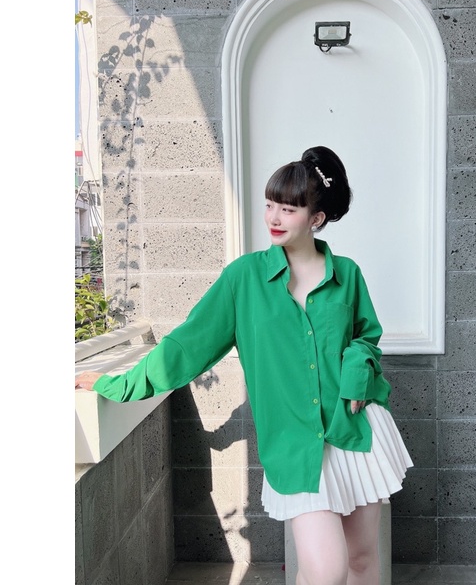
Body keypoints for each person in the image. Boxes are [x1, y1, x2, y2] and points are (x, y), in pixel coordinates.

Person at [76, 146, 413, 585]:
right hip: (294, 442)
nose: (274, 217)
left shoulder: (346, 274)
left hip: (354, 427)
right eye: (270, 204)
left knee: (363, 561)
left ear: (316, 218)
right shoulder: (244, 279)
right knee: (326, 571)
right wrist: (119, 385)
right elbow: (187, 346)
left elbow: (366, 337)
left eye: (288, 209)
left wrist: (356, 373)